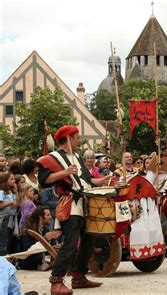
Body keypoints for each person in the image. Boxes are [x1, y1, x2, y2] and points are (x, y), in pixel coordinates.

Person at [37, 125, 110, 294]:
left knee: (88, 241)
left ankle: (78, 276)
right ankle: (56, 281)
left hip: (83, 203)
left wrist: (103, 180)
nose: (79, 140)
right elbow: (44, 180)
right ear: (68, 138)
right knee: (70, 244)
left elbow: (88, 179)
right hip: (70, 204)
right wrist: (65, 172)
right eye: (77, 137)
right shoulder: (52, 158)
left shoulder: (77, 156)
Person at [18, 206, 61, 270]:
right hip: (27, 261)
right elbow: (28, 251)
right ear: (40, 217)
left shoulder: (45, 230)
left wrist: (56, 246)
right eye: (48, 215)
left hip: (42, 259)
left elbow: (51, 247)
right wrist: (45, 239)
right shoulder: (28, 231)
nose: (50, 217)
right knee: (38, 255)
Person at [0, 172, 18, 256]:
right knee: (3, 241)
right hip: (4, 218)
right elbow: (0, 205)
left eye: (14, 179)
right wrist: (10, 203)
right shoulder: (1, 192)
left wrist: (16, 191)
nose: (14, 181)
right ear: (5, 181)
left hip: (12, 218)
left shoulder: (10, 192)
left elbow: (17, 203)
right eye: (11, 179)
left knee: (9, 241)